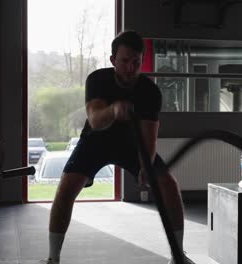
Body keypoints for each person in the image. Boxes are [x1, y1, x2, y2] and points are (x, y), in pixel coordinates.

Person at [43, 30, 195, 264]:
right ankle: (53, 259)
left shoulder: (149, 91)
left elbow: (149, 134)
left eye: (136, 62)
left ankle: (178, 255)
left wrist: (146, 164)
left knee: (168, 186)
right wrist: (113, 110)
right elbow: (94, 119)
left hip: (132, 144)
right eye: (124, 61)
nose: (130, 68)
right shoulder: (98, 80)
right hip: (96, 140)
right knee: (66, 189)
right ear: (113, 60)